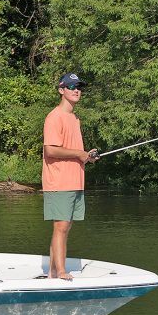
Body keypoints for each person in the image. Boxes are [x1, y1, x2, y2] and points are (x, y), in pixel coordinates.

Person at [42, 73, 97, 280]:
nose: (77, 90)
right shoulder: (54, 117)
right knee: (61, 226)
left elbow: (74, 151)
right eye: (72, 86)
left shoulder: (74, 118)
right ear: (61, 90)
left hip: (75, 180)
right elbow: (51, 151)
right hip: (59, 181)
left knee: (65, 227)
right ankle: (60, 272)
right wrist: (78, 154)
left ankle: (53, 273)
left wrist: (87, 156)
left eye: (79, 87)